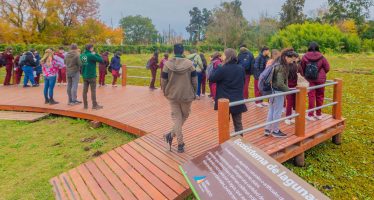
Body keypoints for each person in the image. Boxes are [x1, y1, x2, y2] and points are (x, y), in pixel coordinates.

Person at [161, 44, 197, 153]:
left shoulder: (167, 65)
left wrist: (165, 91)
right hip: (187, 95)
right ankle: (180, 144)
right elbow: (194, 81)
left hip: (172, 95)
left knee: (178, 118)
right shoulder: (190, 64)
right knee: (184, 116)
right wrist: (194, 92)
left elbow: (163, 80)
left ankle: (171, 135)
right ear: (183, 51)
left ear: (174, 51)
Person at [210, 48, 247, 134]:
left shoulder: (222, 68)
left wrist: (217, 67)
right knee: (238, 123)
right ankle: (240, 141)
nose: (221, 56)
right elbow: (243, 81)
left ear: (227, 56)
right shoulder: (241, 68)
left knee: (224, 123)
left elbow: (212, 78)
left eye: (223, 54)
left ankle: (225, 142)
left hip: (224, 101)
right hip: (237, 99)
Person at [264, 48, 298, 138]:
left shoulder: (276, 63)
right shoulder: (282, 67)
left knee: (271, 110)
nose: (292, 61)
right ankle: (275, 130)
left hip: (272, 90)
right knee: (277, 112)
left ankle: (267, 129)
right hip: (277, 91)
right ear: (286, 57)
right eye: (291, 59)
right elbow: (279, 83)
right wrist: (288, 90)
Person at [301, 42, 330, 121]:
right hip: (321, 79)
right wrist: (322, 74)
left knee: (311, 96)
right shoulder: (322, 57)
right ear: (317, 48)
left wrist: (305, 75)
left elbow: (301, 68)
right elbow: (327, 68)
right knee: (320, 96)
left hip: (310, 79)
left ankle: (310, 115)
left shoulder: (304, 57)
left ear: (309, 47)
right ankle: (319, 114)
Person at [80, 44, 104, 110]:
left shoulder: (82, 55)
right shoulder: (91, 55)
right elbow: (101, 60)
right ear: (90, 48)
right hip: (91, 75)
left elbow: (84, 64)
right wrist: (95, 54)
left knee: (84, 91)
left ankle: (85, 106)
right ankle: (94, 105)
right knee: (93, 90)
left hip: (85, 75)